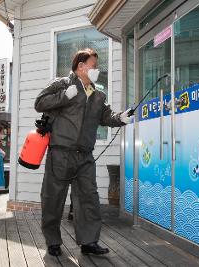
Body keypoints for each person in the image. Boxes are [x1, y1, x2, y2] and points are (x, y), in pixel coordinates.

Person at [35, 48, 133, 257]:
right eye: (94, 66)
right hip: (60, 152)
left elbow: (107, 116)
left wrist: (121, 117)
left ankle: (89, 242)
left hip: (85, 156)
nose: (97, 69)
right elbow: (40, 102)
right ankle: (53, 241)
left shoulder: (97, 94)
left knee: (88, 198)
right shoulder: (63, 84)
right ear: (81, 66)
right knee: (53, 198)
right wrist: (64, 96)